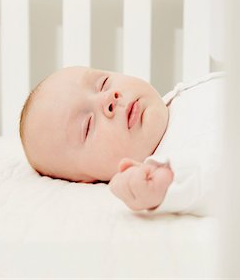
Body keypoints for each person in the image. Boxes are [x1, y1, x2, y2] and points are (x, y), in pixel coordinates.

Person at [19, 66, 224, 216]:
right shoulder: (177, 163)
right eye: (88, 125)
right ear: (88, 180)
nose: (108, 98)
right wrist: (165, 186)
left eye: (103, 83)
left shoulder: (182, 96)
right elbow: (227, 182)